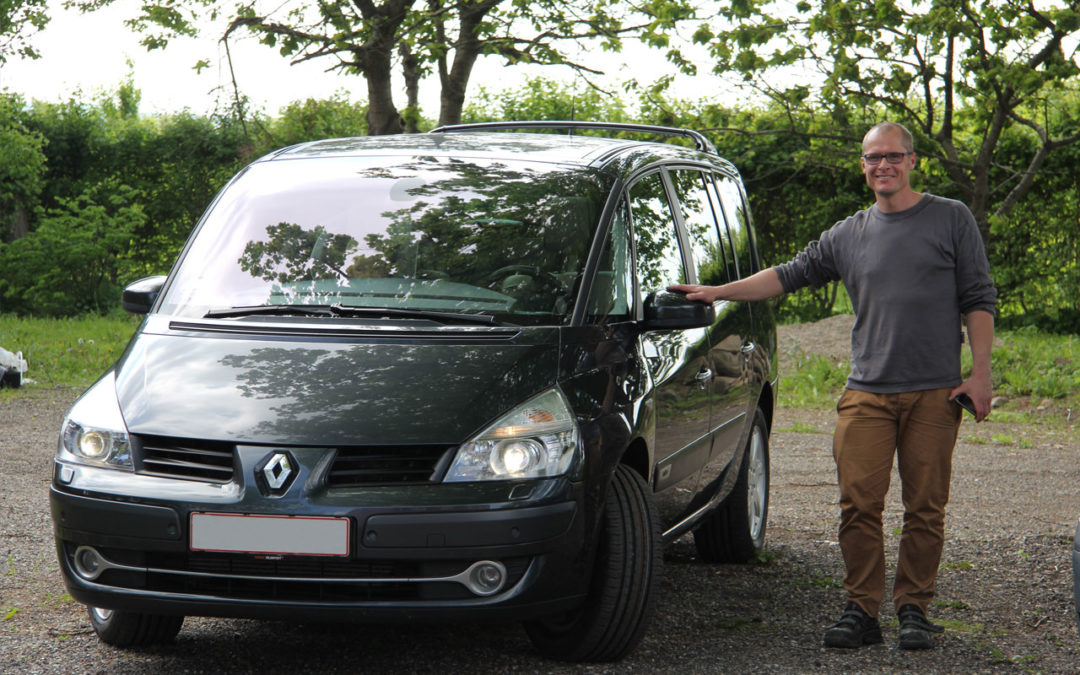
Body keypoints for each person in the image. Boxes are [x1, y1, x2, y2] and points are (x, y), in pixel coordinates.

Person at [670, 121, 997, 650]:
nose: (883, 166)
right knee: (858, 503)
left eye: (893, 156)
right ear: (863, 165)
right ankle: (861, 610)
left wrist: (980, 375)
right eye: (873, 158)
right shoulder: (849, 233)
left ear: (912, 161)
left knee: (925, 507)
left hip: (935, 391)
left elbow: (979, 297)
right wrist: (716, 291)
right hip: (867, 391)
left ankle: (914, 608)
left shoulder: (950, 218)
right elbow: (787, 274)